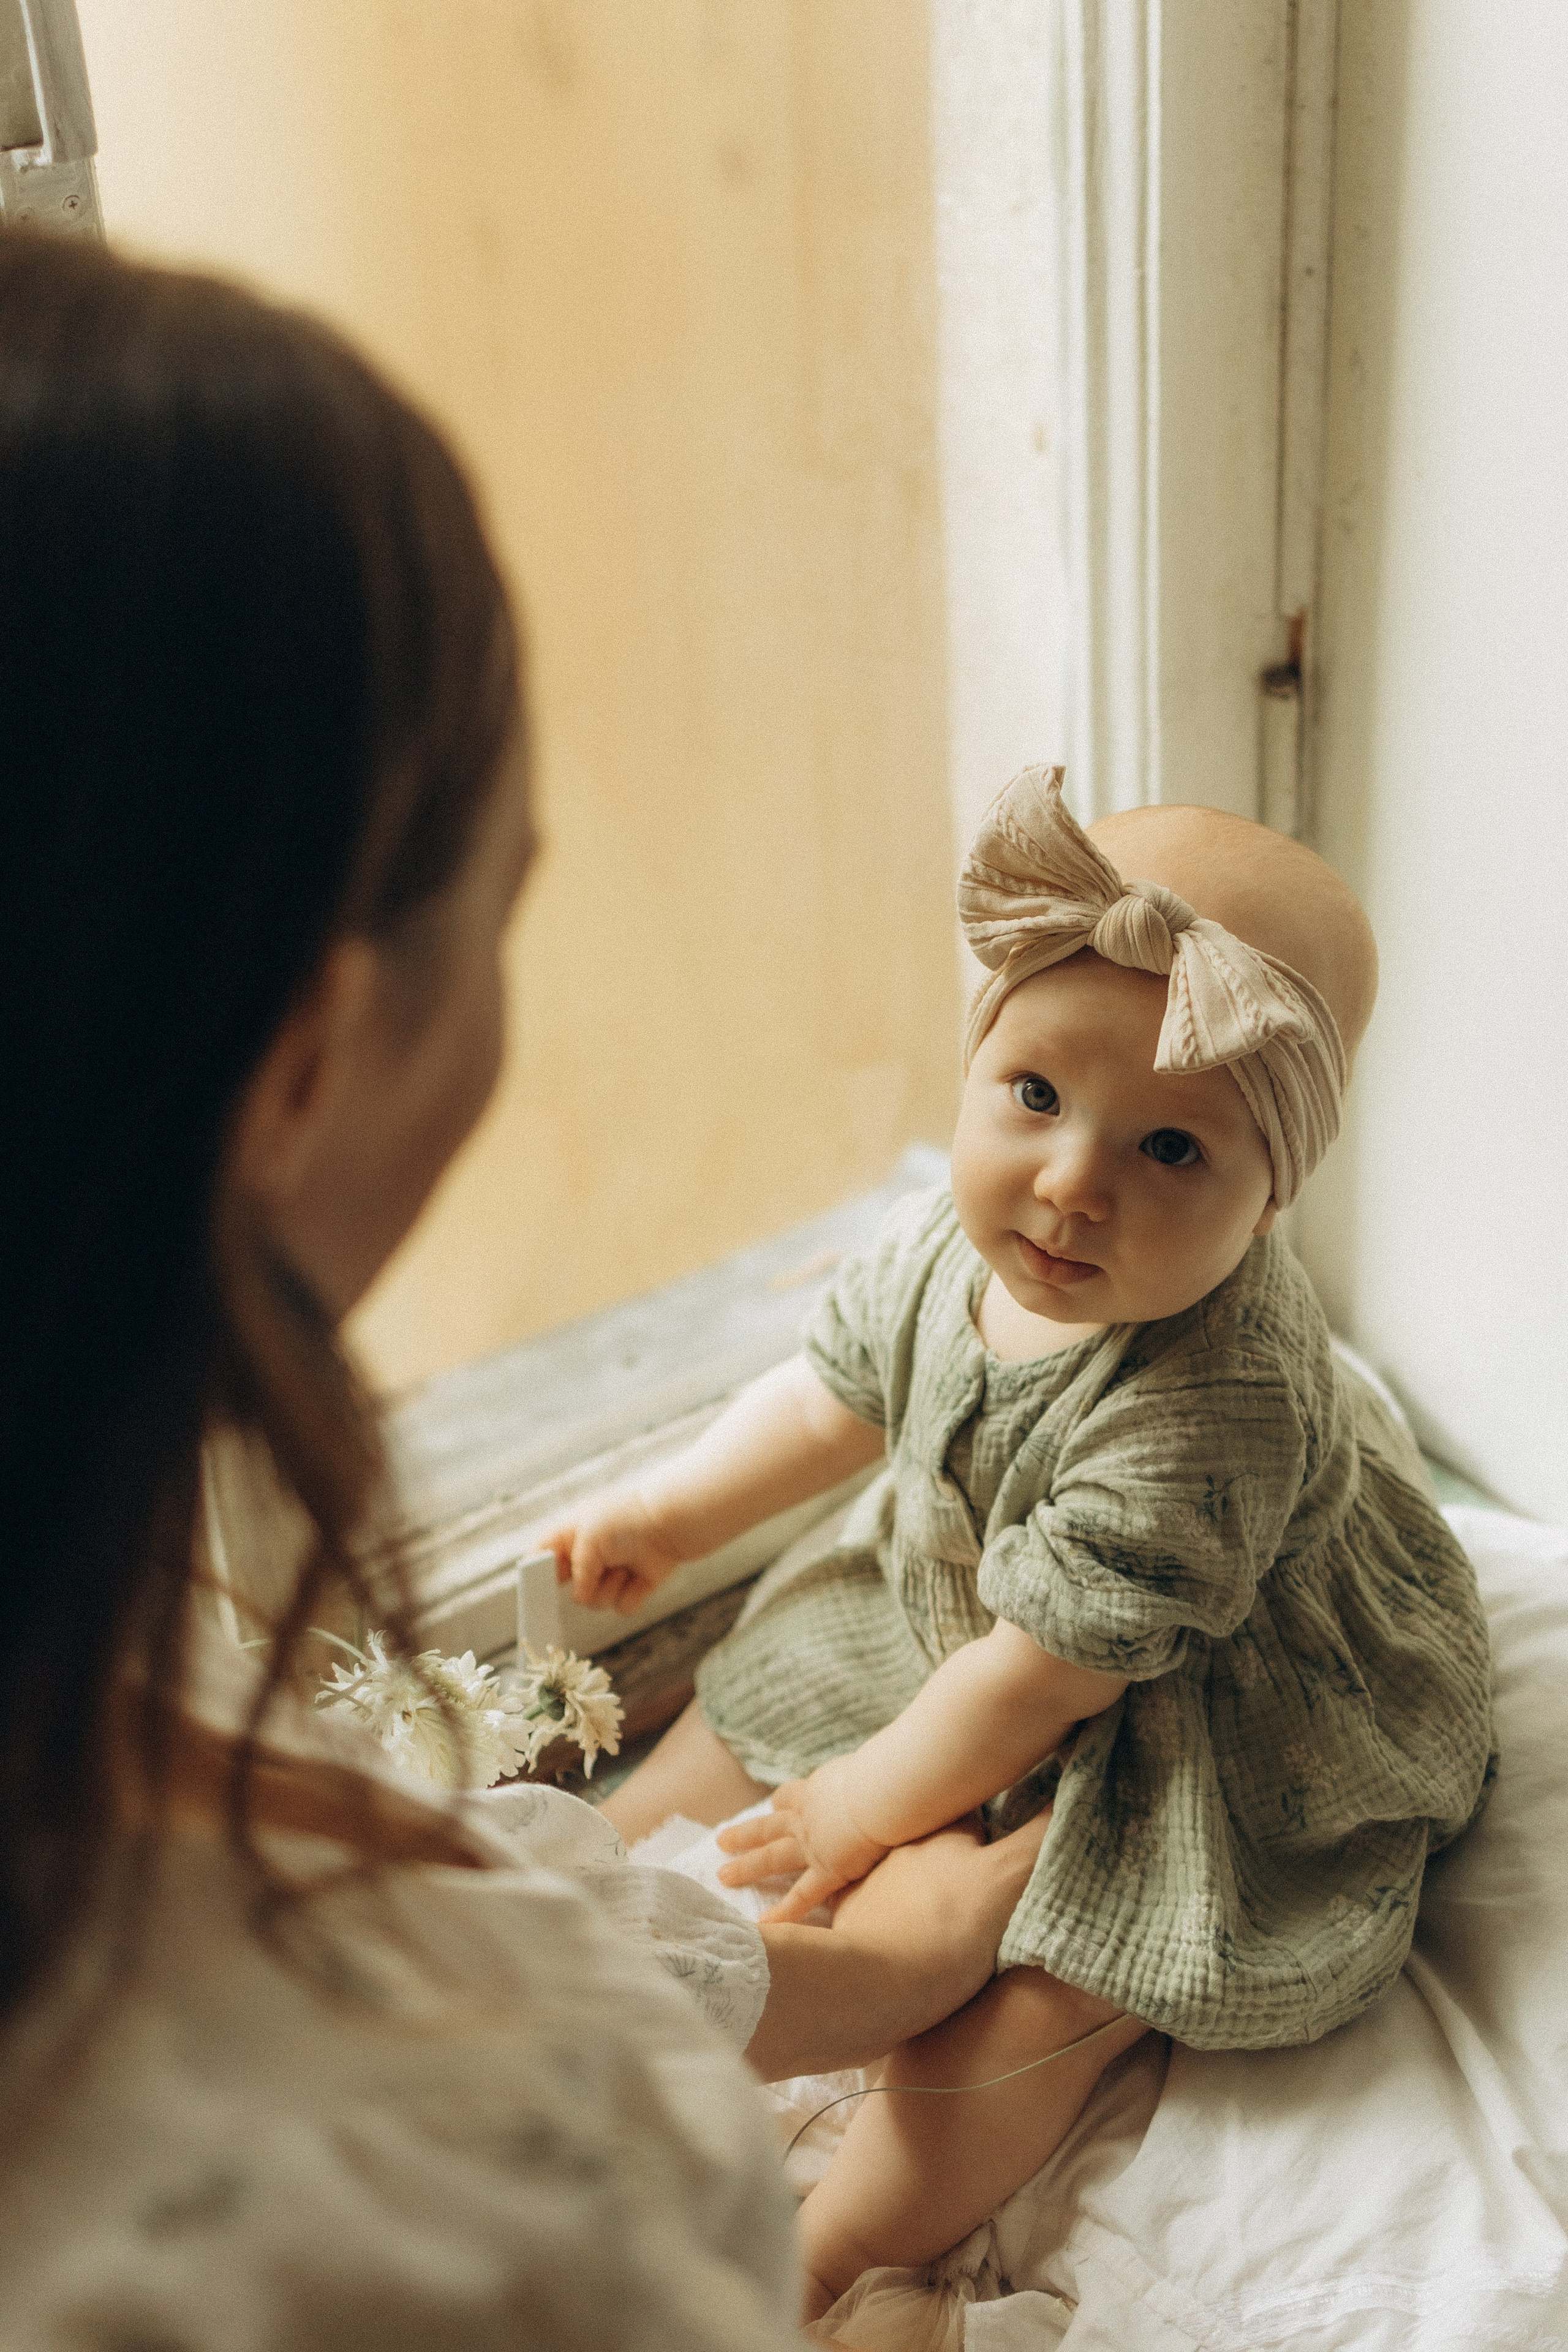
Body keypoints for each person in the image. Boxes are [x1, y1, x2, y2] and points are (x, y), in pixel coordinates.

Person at [0, 227, 1050, 2351]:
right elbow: (836, 1394)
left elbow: (425, 1879)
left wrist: (838, 1967)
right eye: (508, 902)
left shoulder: (112, 1677)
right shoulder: (490, 2213)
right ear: (305, 1060)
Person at [548, 766, 1496, 2326]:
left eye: (1171, 1151)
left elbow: (1040, 1681)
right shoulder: (955, 1236)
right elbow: (832, 1394)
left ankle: (831, 2246)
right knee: (750, 1704)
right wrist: (672, 1510)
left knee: (1055, 1996)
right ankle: (600, 1915)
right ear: (980, 1060)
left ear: (1270, 1202)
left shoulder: (1215, 1404)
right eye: (1037, 1100)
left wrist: (866, 1798)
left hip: (1188, 1699)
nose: (1070, 1185)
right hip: (979, 1595)